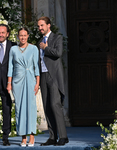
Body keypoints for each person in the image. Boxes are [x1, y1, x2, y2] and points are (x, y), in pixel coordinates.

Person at [37, 16, 69, 146]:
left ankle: (63, 136)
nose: (40, 28)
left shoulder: (57, 38)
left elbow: (58, 53)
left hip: (54, 76)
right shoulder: (39, 41)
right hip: (43, 75)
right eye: (38, 26)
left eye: (42, 25)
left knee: (55, 105)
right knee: (46, 106)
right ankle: (52, 137)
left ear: (48, 25)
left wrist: (45, 48)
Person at [7, 27, 40, 147]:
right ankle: (23, 138)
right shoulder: (13, 49)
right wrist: (9, 83)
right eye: (21, 35)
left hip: (30, 80)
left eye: (25, 35)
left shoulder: (34, 48)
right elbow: (10, 67)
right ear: (17, 36)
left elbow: (36, 66)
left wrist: (37, 82)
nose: (23, 37)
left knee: (30, 108)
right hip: (17, 81)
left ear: (28, 36)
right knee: (19, 109)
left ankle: (32, 136)